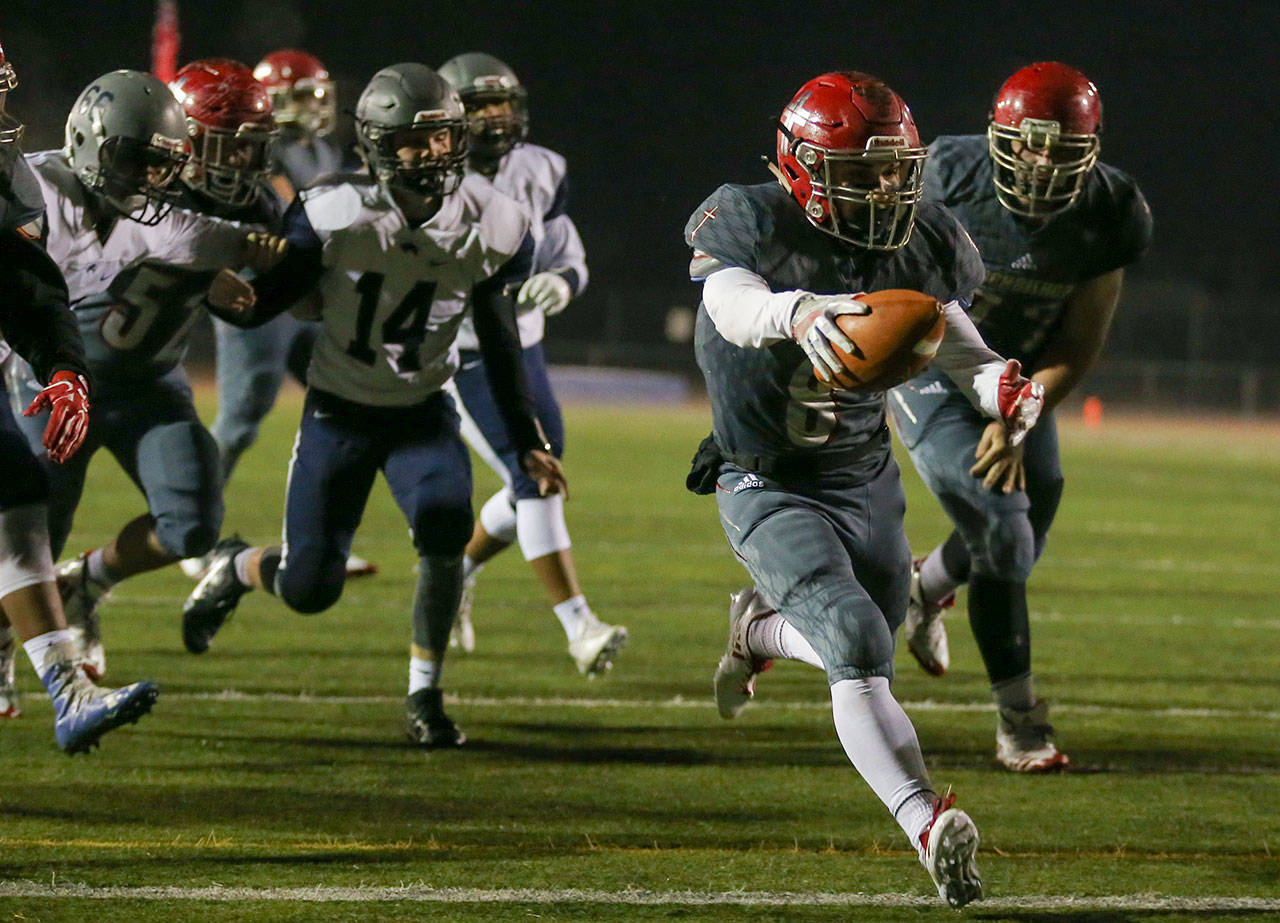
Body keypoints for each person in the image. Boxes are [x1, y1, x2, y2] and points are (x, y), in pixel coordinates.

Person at [685, 71, 1046, 908]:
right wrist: (802, 314)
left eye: (895, 169)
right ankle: (926, 820)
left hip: (864, 476)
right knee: (856, 640)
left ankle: (759, 632)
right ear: (803, 167)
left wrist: (1000, 388)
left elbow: (941, 324)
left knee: (869, 633)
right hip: (766, 475)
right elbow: (731, 304)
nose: (886, 188)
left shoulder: (922, 234)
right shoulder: (753, 216)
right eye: (862, 172)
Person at [181, 63, 566, 747]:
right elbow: (261, 306)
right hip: (338, 413)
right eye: (411, 143)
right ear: (376, 145)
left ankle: (425, 692)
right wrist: (219, 281)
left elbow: (501, 341)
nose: (430, 156)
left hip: (423, 410)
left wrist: (528, 436)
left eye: (442, 139)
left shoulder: (496, 220)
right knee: (308, 589)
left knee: (446, 526)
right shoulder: (334, 207)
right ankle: (236, 565)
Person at [889, 62, 1152, 772]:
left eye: (1059, 149)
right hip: (934, 365)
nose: (1039, 163)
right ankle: (1019, 721)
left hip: (1025, 379)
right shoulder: (946, 173)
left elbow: (1079, 338)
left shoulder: (1112, 210)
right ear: (996, 140)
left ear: (1090, 152)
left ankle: (924, 586)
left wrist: (1021, 410)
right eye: (1027, 145)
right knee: (1003, 529)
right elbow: (890, 278)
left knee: (1026, 523)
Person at [7, 69, 269, 680]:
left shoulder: (148, 217)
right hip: (41, 378)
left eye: (159, 164)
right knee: (29, 534)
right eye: (135, 159)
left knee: (186, 520)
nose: (148, 178)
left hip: (121, 383)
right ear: (89, 142)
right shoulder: (34, 188)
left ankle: (80, 593)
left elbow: (206, 237)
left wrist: (254, 257)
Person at [436, 52, 624, 675]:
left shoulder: (541, 168)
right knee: (534, 479)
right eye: (480, 106)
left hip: (523, 345)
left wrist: (563, 283)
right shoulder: (433, 176)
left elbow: (565, 247)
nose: (495, 118)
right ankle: (580, 627)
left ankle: (455, 571)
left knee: (538, 480)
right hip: (461, 350)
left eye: (502, 104)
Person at [0, 44, 158, 752]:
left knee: (17, 487)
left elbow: (26, 286)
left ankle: (68, 689)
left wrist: (65, 367)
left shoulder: (10, 179)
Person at [183, 49, 375, 580]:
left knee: (345, 406)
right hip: (262, 292)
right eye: (306, 94)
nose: (317, 105)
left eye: (320, 94)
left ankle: (317, 543)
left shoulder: (320, 147)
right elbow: (295, 216)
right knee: (241, 419)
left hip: (306, 297)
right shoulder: (262, 150)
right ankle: (195, 534)